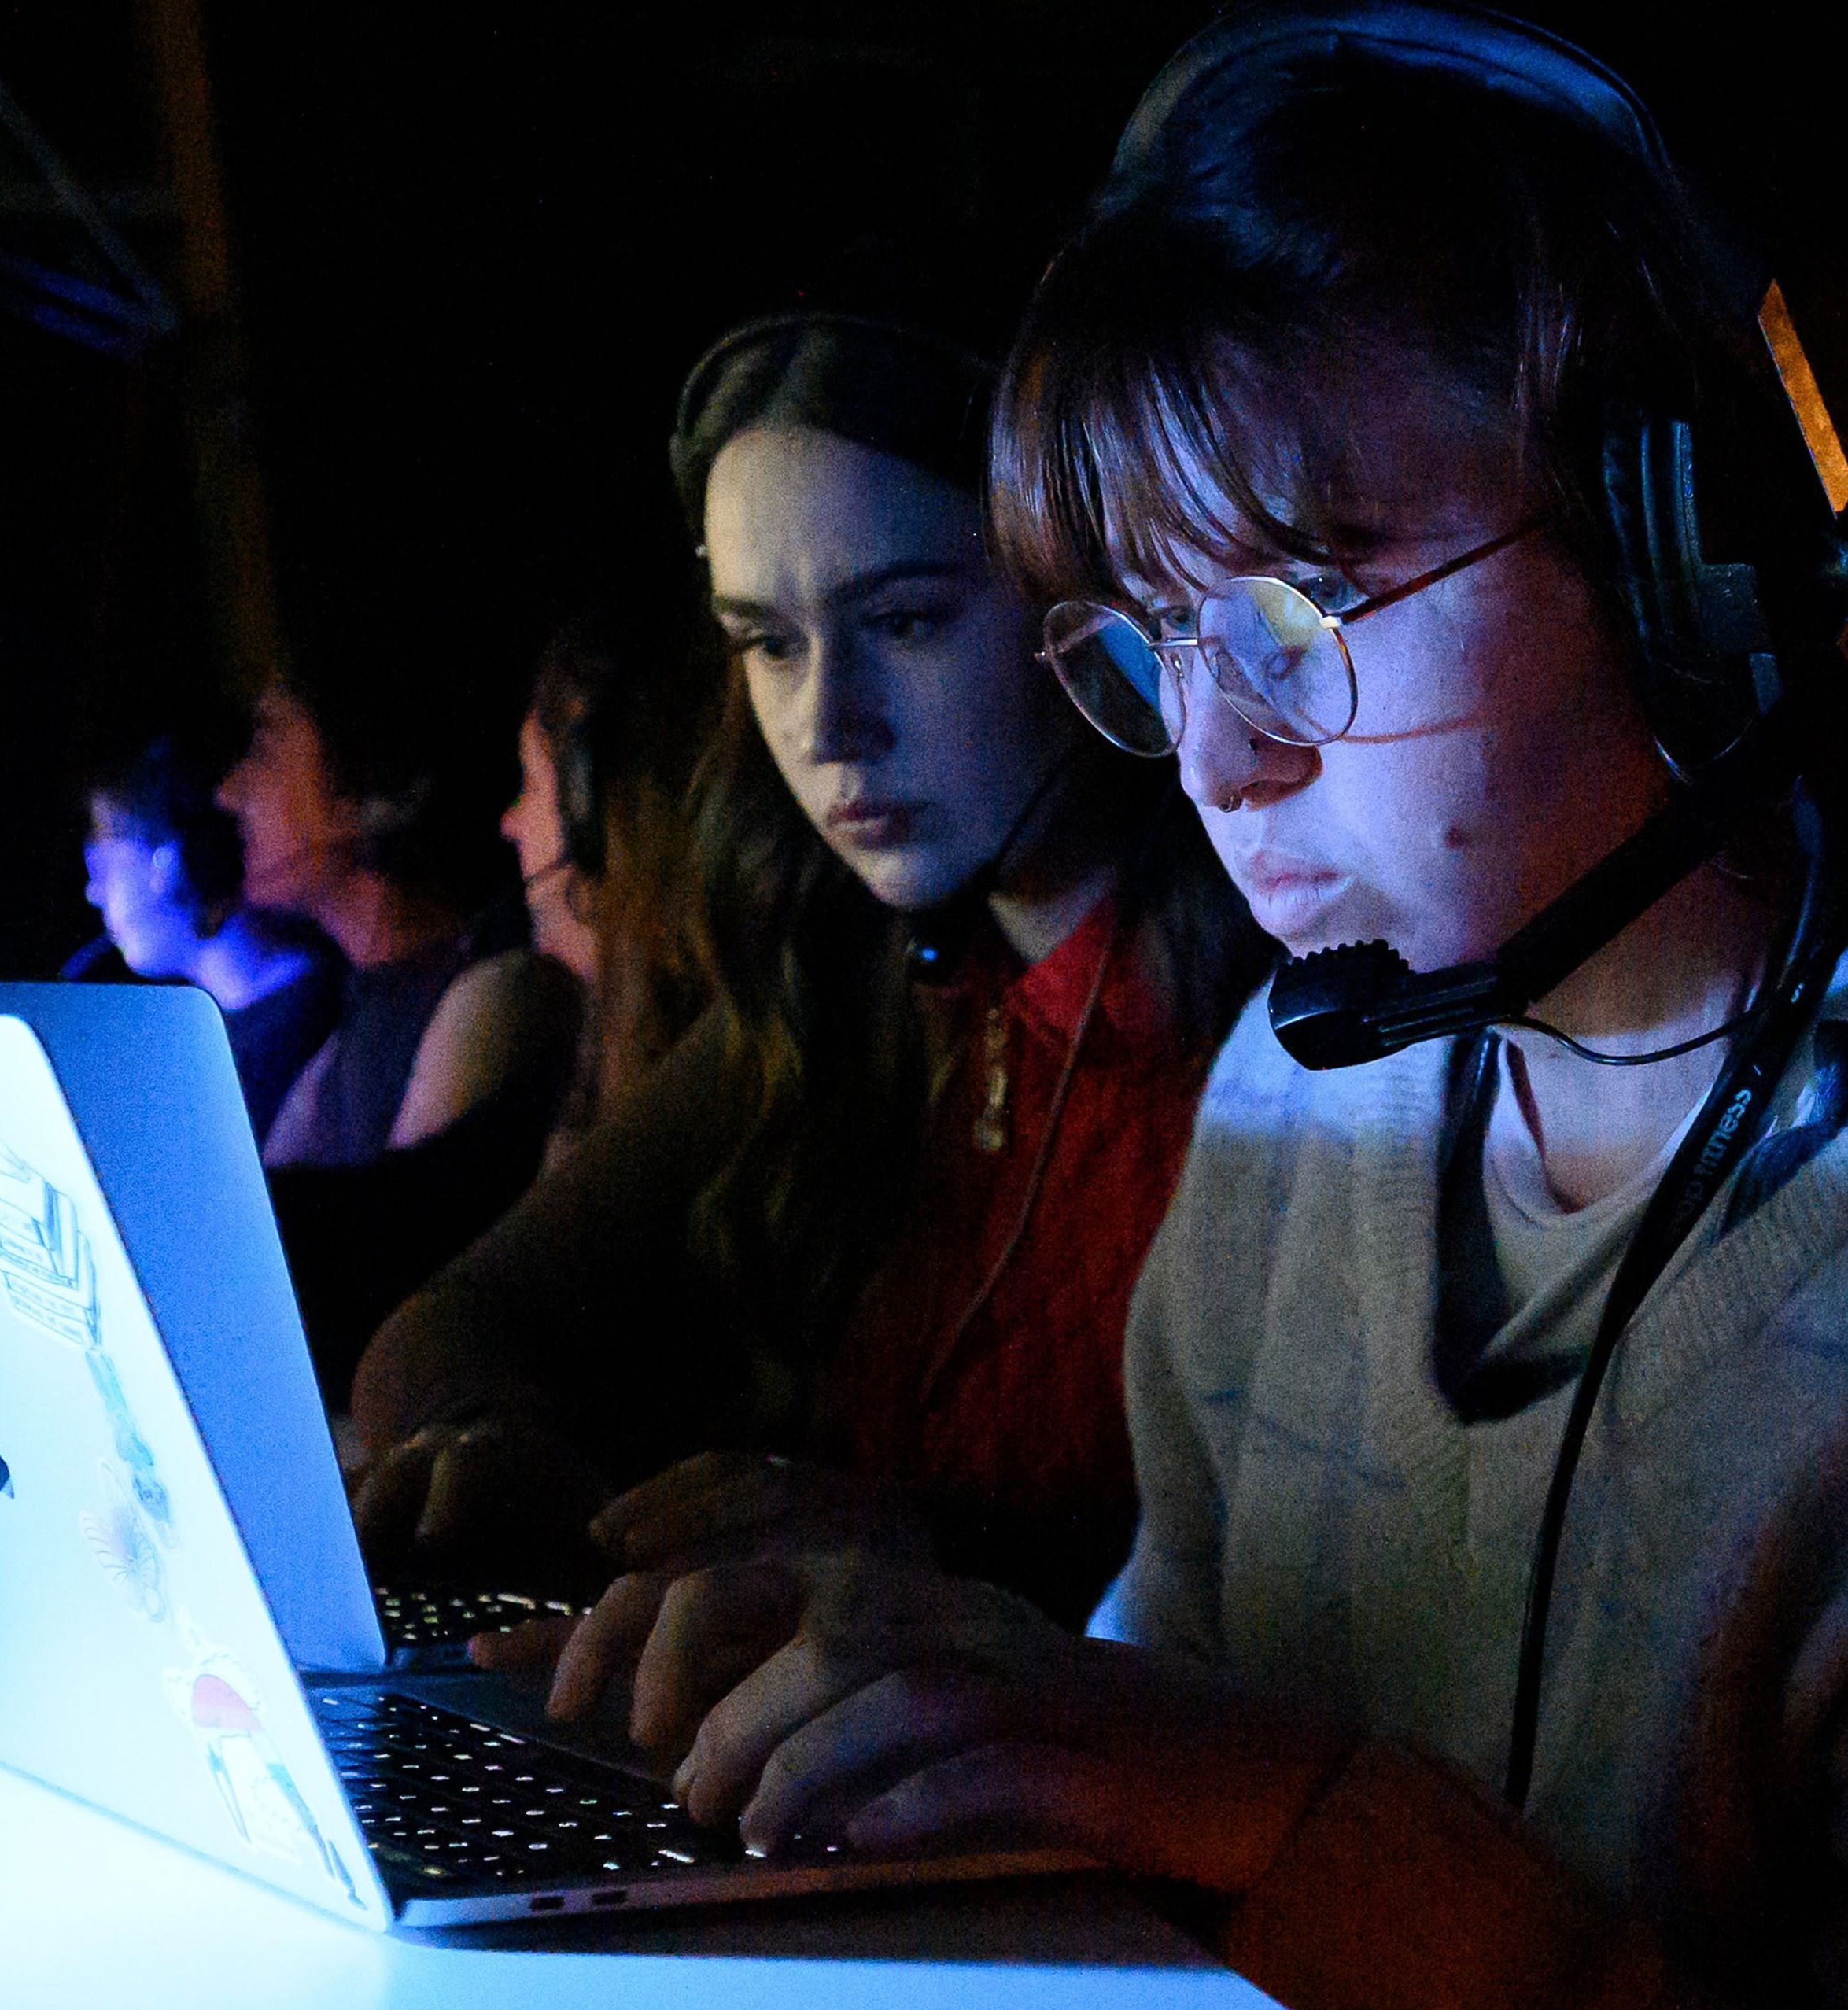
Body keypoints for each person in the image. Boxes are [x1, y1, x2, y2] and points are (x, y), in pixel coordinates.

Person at [519, 9, 1848, 2004]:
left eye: (1297, 611)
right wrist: (923, 1674)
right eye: (1150, 639)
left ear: (1683, 558)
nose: (1214, 757)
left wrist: (1304, 1819)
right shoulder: (1294, 1106)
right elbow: (1137, 1753)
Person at [347, 312, 1268, 1613]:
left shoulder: (1292, 1038)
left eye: (903, 624)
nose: (828, 728)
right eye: (768, 645)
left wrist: (923, 1561)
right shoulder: (864, 984)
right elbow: (457, 1324)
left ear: (1094, 601)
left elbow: (1307, 1611)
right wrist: (496, 1453)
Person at [216, 656, 583, 1394]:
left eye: (266, 748)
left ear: (371, 797)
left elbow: (380, 1257)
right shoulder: (339, 1019)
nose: (228, 792)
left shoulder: (497, 996)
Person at [498, 599, 715, 1152]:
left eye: (530, 785)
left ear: (592, 823)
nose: (509, 824)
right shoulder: (593, 1051)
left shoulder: (707, 1079)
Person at [79, 738, 342, 1138]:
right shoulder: (216, 1037)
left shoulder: (296, 1031)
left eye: (103, 865)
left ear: (175, 864)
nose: (94, 892)